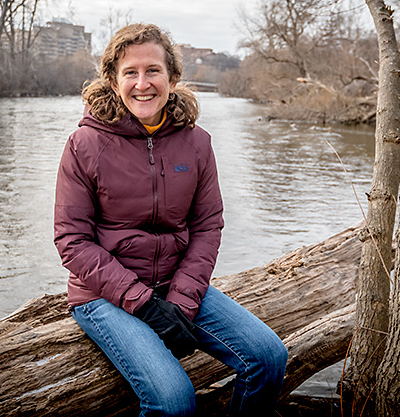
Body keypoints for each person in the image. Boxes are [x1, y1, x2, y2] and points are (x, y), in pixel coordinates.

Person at [54, 23, 288, 416]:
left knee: (269, 357)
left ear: (173, 78)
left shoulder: (197, 142)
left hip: (175, 283)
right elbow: (71, 241)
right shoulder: (85, 145)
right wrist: (145, 305)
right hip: (103, 294)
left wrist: (179, 301)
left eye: (153, 71)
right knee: (174, 400)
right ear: (113, 81)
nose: (142, 83)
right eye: (130, 72)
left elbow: (208, 225)